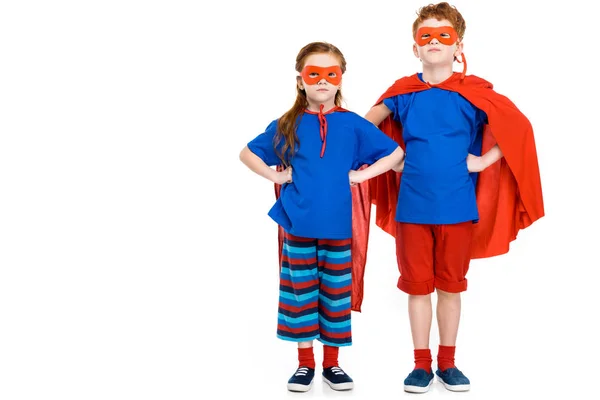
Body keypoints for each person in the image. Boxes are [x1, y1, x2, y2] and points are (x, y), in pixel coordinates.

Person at [363, 2, 544, 393]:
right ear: (415, 47)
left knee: (450, 285)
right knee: (416, 287)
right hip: (413, 208)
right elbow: (363, 127)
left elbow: (518, 127)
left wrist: (483, 161)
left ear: (457, 45)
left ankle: (447, 363)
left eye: (442, 35)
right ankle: (420, 365)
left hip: (458, 208)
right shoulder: (403, 92)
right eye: (425, 35)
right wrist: (389, 159)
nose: (433, 42)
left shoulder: (473, 92)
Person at [239, 41, 404, 392]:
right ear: (301, 81)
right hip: (298, 225)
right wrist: (276, 176)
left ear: (340, 80)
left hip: (339, 227)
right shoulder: (287, 123)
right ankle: (304, 365)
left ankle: (332, 364)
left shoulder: (353, 125)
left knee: (334, 295)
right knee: (301, 294)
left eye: (331, 74)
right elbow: (248, 153)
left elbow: (394, 153)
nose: (323, 81)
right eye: (314, 74)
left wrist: (360, 176)